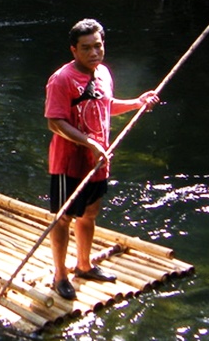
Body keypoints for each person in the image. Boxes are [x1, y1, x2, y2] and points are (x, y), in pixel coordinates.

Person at [44, 18, 159, 301]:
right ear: (74, 50)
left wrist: (136, 103)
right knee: (64, 218)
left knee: (90, 214)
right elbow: (54, 122)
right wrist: (88, 142)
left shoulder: (103, 73)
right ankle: (60, 275)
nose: (94, 53)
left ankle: (84, 265)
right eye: (86, 48)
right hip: (68, 163)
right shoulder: (62, 79)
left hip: (98, 161)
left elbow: (106, 105)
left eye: (98, 46)